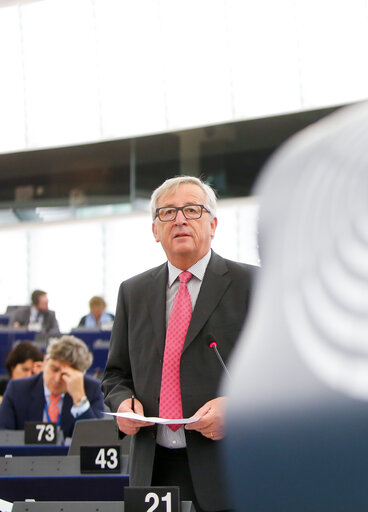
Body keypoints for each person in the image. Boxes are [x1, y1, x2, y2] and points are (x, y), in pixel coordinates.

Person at [102, 176, 254, 512]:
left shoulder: (252, 284)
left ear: (213, 224)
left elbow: (280, 373)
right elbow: (115, 374)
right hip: (153, 470)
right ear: (155, 230)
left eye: (191, 209)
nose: (180, 219)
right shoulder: (133, 292)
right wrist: (123, 404)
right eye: (167, 212)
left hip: (229, 466)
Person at [0, 335, 105, 437]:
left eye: (65, 374)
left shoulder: (92, 390)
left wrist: (79, 400)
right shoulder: (17, 389)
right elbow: (4, 437)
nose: (57, 379)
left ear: (79, 375)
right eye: (54, 369)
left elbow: (95, 440)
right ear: (45, 361)